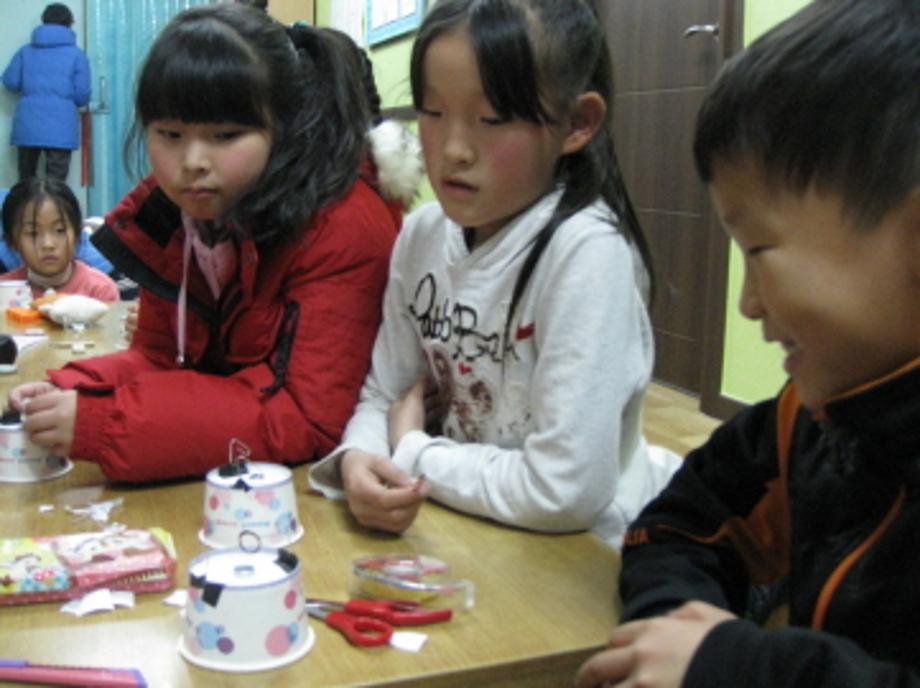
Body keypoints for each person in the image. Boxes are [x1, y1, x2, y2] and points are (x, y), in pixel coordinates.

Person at [575, 0, 920, 685]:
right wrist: (676, 631)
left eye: (759, 250)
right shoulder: (812, 420)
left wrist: (734, 666)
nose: (748, 303)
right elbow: (676, 527)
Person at [309, 0, 679, 548]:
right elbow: (386, 394)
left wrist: (413, 451)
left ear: (577, 123)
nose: (454, 150)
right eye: (432, 112)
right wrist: (361, 457)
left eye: (492, 119)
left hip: (578, 553)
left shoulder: (587, 254)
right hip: (460, 519)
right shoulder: (422, 234)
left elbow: (564, 489)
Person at [6, 4, 421, 482]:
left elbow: (308, 416)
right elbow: (161, 357)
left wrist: (106, 421)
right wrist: (76, 389)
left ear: (284, 128)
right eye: (170, 134)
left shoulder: (343, 224)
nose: (192, 162)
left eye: (225, 135)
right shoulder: (181, 214)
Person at [2, 3, 91, 181]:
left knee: (26, 182)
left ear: (44, 21)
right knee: (56, 184)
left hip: (28, 124)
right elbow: (82, 95)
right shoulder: (77, 55)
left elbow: (10, 82)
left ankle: (26, 201)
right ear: (70, 23)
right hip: (61, 125)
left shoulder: (25, 52)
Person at [0, 178, 118, 302]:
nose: (48, 244)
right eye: (33, 234)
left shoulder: (100, 290)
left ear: (77, 234)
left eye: (60, 230)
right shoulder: (3, 291)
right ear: (12, 241)